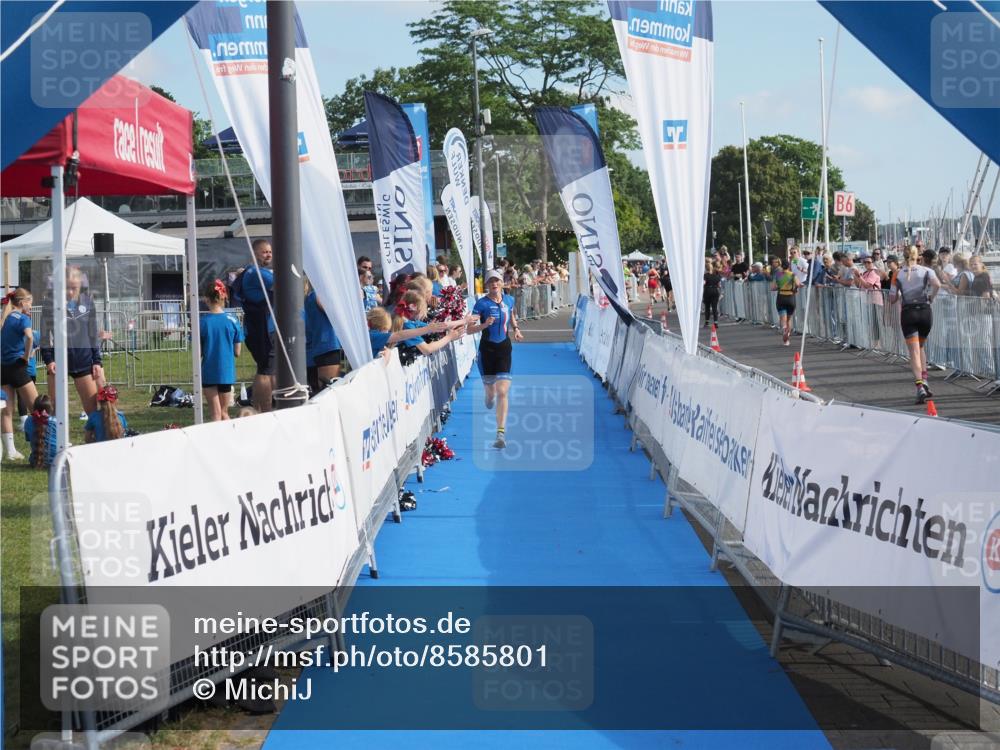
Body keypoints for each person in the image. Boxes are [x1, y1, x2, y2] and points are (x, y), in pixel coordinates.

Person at [467, 270, 523, 449]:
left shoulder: (509, 300)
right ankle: (488, 397)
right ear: (487, 285)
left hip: (504, 348)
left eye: (497, 281)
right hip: (487, 350)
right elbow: (469, 329)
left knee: (503, 391)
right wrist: (484, 325)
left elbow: (512, 315)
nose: (494, 284)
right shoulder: (481, 304)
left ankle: (500, 433)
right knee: (492, 394)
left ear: (501, 283)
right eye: (491, 282)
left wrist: (516, 329)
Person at [40, 267, 104, 419]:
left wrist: (97, 361)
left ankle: (92, 440)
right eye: (66, 287)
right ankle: (54, 441)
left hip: (83, 361)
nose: (69, 292)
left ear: (80, 285)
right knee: (54, 410)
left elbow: (93, 334)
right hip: (58, 363)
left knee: (92, 410)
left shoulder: (88, 303)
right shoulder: (50, 304)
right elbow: (44, 336)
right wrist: (49, 360)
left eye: (73, 288)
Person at [890, 245, 941, 404]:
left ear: (902, 256)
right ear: (917, 255)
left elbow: (892, 298)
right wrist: (931, 297)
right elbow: (937, 284)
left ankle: (919, 386)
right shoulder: (926, 271)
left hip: (908, 313)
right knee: (920, 347)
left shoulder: (897, 273)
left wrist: (900, 293)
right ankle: (925, 380)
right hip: (925, 312)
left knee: (914, 352)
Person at [2, 288, 40, 460]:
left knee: (6, 411)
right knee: (38, 409)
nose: (31, 306)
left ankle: (10, 451)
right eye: (30, 302)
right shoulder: (23, 318)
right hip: (17, 367)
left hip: (2, 368)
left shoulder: (7, 317)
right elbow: (30, 338)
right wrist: (26, 356)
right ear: (22, 302)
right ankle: (42, 446)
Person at [239, 239, 275, 412]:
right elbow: (284, 282)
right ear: (254, 253)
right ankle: (264, 408)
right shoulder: (257, 273)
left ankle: (262, 406)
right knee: (265, 369)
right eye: (264, 251)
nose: (268, 254)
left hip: (262, 327)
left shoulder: (257, 272)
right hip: (261, 329)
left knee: (268, 369)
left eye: (270, 251)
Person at [200, 280, 243, 421]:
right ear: (223, 297)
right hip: (226, 372)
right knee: (224, 413)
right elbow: (237, 352)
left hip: (209, 371)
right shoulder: (233, 320)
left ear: (206, 299)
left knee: (215, 414)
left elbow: (198, 351)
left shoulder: (202, 322)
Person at [366, 307, 450, 360]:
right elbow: (399, 335)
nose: (387, 332)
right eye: (386, 330)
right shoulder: (373, 335)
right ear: (382, 328)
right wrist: (427, 329)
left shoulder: (370, 335)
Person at [304, 280, 343, 395]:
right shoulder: (318, 295)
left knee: (320, 391)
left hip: (320, 346)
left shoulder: (311, 296)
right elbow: (335, 313)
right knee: (327, 391)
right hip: (327, 346)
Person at [771, 259, 800, 345]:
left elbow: (772, 287)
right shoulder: (792, 275)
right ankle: (787, 337)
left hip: (781, 297)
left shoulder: (778, 275)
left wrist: (779, 287)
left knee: (782, 317)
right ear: (789, 266)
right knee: (789, 319)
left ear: (781, 266)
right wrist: (795, 289)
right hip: (790, 298)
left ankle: (784, 329)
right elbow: (798, 284)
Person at [24, 394, 57, 468]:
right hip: (56, 461)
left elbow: (29, 439)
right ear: (51, 408)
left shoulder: (28, 420)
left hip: (35, 461)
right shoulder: (57, 422)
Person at [702, 259, 722, 327]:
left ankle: (707, 322)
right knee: (714, 307)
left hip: (707, 291)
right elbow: (719, 285)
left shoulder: (705, 275)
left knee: (707, 307)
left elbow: (704, 283)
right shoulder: (717, 275)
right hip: (715, 291)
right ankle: (716, 322)